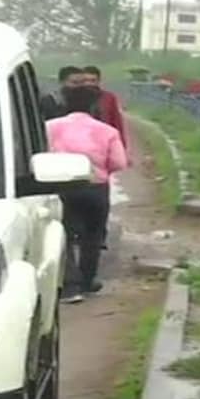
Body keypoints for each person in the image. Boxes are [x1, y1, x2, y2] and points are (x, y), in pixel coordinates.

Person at [47, 84, 129, 303]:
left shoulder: (51, 127)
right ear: (94, 106)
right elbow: (119, 162)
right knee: (92, 236)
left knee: (63, 234)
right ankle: (87, 281)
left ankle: (70, 285)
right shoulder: (108, 131)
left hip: (62, 186)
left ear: (64, 104)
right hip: (96, 188)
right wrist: (100, 170)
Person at [82, 65, 129, 148]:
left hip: (104, 142)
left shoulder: (108, 98)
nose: (89, 84)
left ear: (98, 81)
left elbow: (116, 123)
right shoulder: (75, 98)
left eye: (93, 80)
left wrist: (121, 146)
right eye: (85, 80)